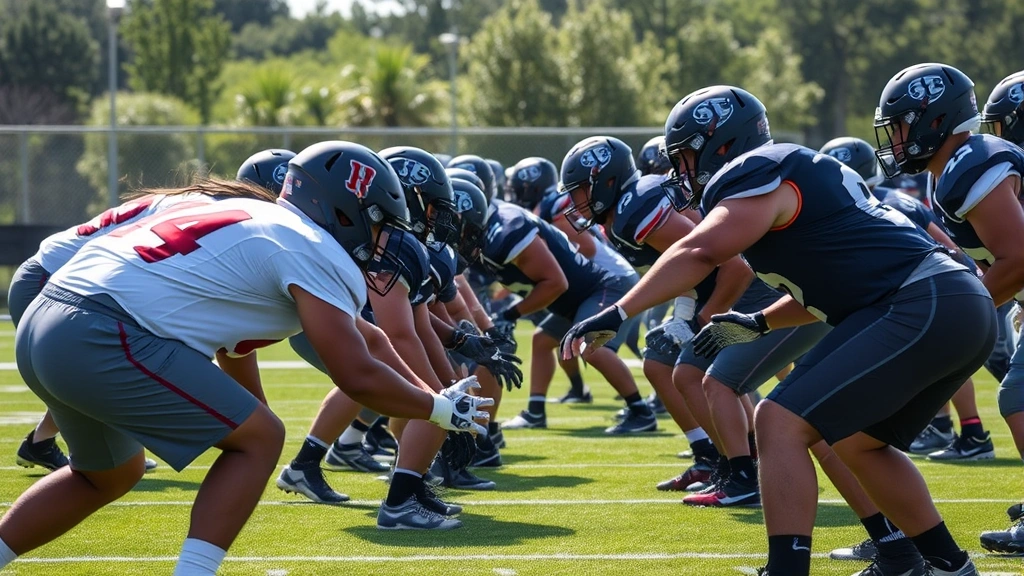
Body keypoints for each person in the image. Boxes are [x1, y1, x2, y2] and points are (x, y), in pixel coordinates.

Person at [5, 140, 492, 574]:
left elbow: (234, 347)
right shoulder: (313, 245)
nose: (381, 238)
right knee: (262, 439)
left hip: (43, 319)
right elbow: (356, 373)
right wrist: (440, 408)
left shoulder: (251, 218)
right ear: (345, 209)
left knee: (107, 474)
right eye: (380, 223)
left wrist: (248, 416)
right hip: (100, 331)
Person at [563, 85, 993, 576]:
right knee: (855, 440)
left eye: (684, 156)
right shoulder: (793, 173)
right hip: (948, 302)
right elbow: (827, 288)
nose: (678, 170)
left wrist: (618, 311)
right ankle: (938, 564)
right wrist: (760, 320)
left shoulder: (758, 169)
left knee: (777, 419)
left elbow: (699, 251)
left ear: (720, 145)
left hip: (922, 302)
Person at [559, 135, 831, 507]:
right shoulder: (623, 213)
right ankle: (726, 461)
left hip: (749, 289)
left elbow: (731, 265)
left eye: (578, 191)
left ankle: (741, 470)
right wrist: (683, 314)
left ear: (605, 182)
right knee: (666, 362)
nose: (572, 203)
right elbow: (688, 271)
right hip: (731, 288)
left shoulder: (634, 208)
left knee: (699, 375)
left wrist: (701, 319)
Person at [9, 148, 294, 475]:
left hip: (64, 285)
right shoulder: (224, 216)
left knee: (104, 387)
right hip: (63, 287)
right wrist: (255, 416)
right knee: (119, 372)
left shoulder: (205, 202)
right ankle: (60, 446)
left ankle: (43, 442)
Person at [877, 65, 1024, 556]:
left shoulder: (971, 161)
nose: (894, 139)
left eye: (899, 126)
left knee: (1018, 397)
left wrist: (966, 312)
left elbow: (1018, 257)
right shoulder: (959, 168)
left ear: (931, 122)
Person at [821, 136, 1000, 462]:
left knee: (942, 358)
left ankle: (968, 431)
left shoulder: (881, 204)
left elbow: (946, 247)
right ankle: (945, 427)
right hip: (938, 284)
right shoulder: (888, 199)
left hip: (932, 287)